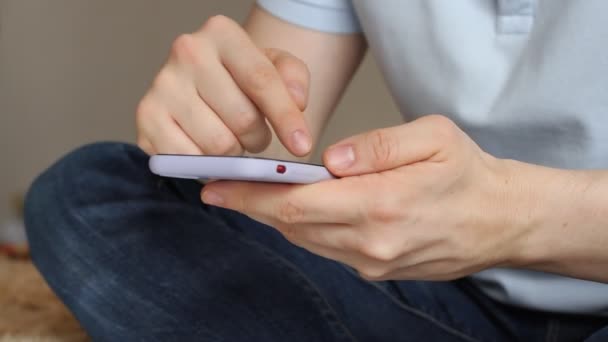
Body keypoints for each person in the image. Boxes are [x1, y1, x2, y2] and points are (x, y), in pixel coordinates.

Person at [24, 0, 608, 341]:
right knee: (87, 195)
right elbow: (272, 133)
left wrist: (512, 216)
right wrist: (213, 116)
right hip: (453, 296)